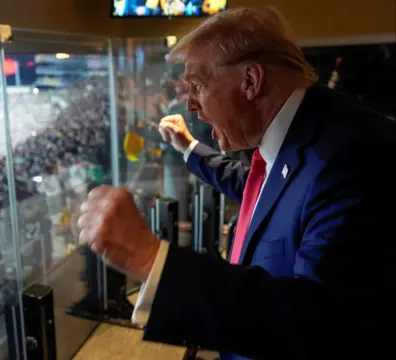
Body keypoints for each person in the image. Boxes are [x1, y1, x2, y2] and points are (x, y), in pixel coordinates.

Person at [77, 6, 396, 360]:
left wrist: (150, 260)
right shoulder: (308, 129)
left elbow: (318, 324)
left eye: (198, 84)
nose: (191, 104)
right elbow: (262, 190)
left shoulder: (352, 155)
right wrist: (189, 148)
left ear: (251, 80)